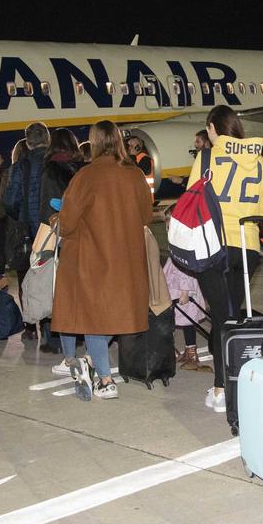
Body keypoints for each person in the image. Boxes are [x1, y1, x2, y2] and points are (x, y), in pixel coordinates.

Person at [49, 120, 152, 400]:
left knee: (95, 316)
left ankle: (104, 379)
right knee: (117, 315)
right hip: (127, 257)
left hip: (93, 256)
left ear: (94, 142)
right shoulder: (135, 175)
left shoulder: (86, 176)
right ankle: (93, 362)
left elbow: (68, 223)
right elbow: (145, 215)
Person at [195, 105, 263, 414]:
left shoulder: (207, 158)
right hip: (247, 246)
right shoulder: (259, 161)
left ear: (214, 129)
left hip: (214, 244)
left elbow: (193, 198)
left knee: (220, 316)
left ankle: (221, 387)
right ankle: (235, 378)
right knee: (230, 313)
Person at [4, 122, 54, 348]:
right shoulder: (55, 162)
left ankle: (31, 327)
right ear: (47, 138)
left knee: (29, 280)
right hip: (54, 231)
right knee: (54, 279)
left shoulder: (19, 167)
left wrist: (22, 217)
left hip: (28, 234)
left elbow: (10, 202)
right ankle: (53, 332)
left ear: (27, 141)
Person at [164, 251, 210, 371]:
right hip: (178, 291)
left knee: (186, 321)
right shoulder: (177, 250)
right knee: (186, 322)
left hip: (181, 294)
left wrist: (185, 292)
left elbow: (185, 273)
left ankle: (191, 355)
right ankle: (189, 352)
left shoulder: (182, 251)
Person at [38, 128, 83, 225]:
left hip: (61, 228)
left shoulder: (51, 170)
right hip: (84, 228)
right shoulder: (84, 168)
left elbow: (47, 208)